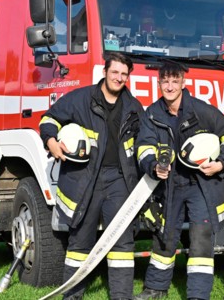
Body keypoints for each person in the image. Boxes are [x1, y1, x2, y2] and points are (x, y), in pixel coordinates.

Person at [39, 52, 144, 300]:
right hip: (87, 179)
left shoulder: (134, 107)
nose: (118, 78)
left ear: (128, 77)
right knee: (80, 241)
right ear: (105, 72)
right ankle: (72, 296)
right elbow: (49, 118)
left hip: (119, 180)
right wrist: (51, 141)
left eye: (124, 74)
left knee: (121, 242)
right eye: (115, 72)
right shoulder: (80, 99)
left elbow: (145, 139)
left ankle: (121, 296)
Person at [134, 63, 224, 300]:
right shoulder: (152, 113)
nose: (169, 86)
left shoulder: (201, 110)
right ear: (158, 83)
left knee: (201, 237)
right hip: (169, 185)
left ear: (183, 83)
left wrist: (221, 163)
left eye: (174, 81)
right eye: (165, 81)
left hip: (201, 184)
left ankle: (198, 295)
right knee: (164, 234)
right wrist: (153, 166)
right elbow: (144, 146)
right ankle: (155, 288)